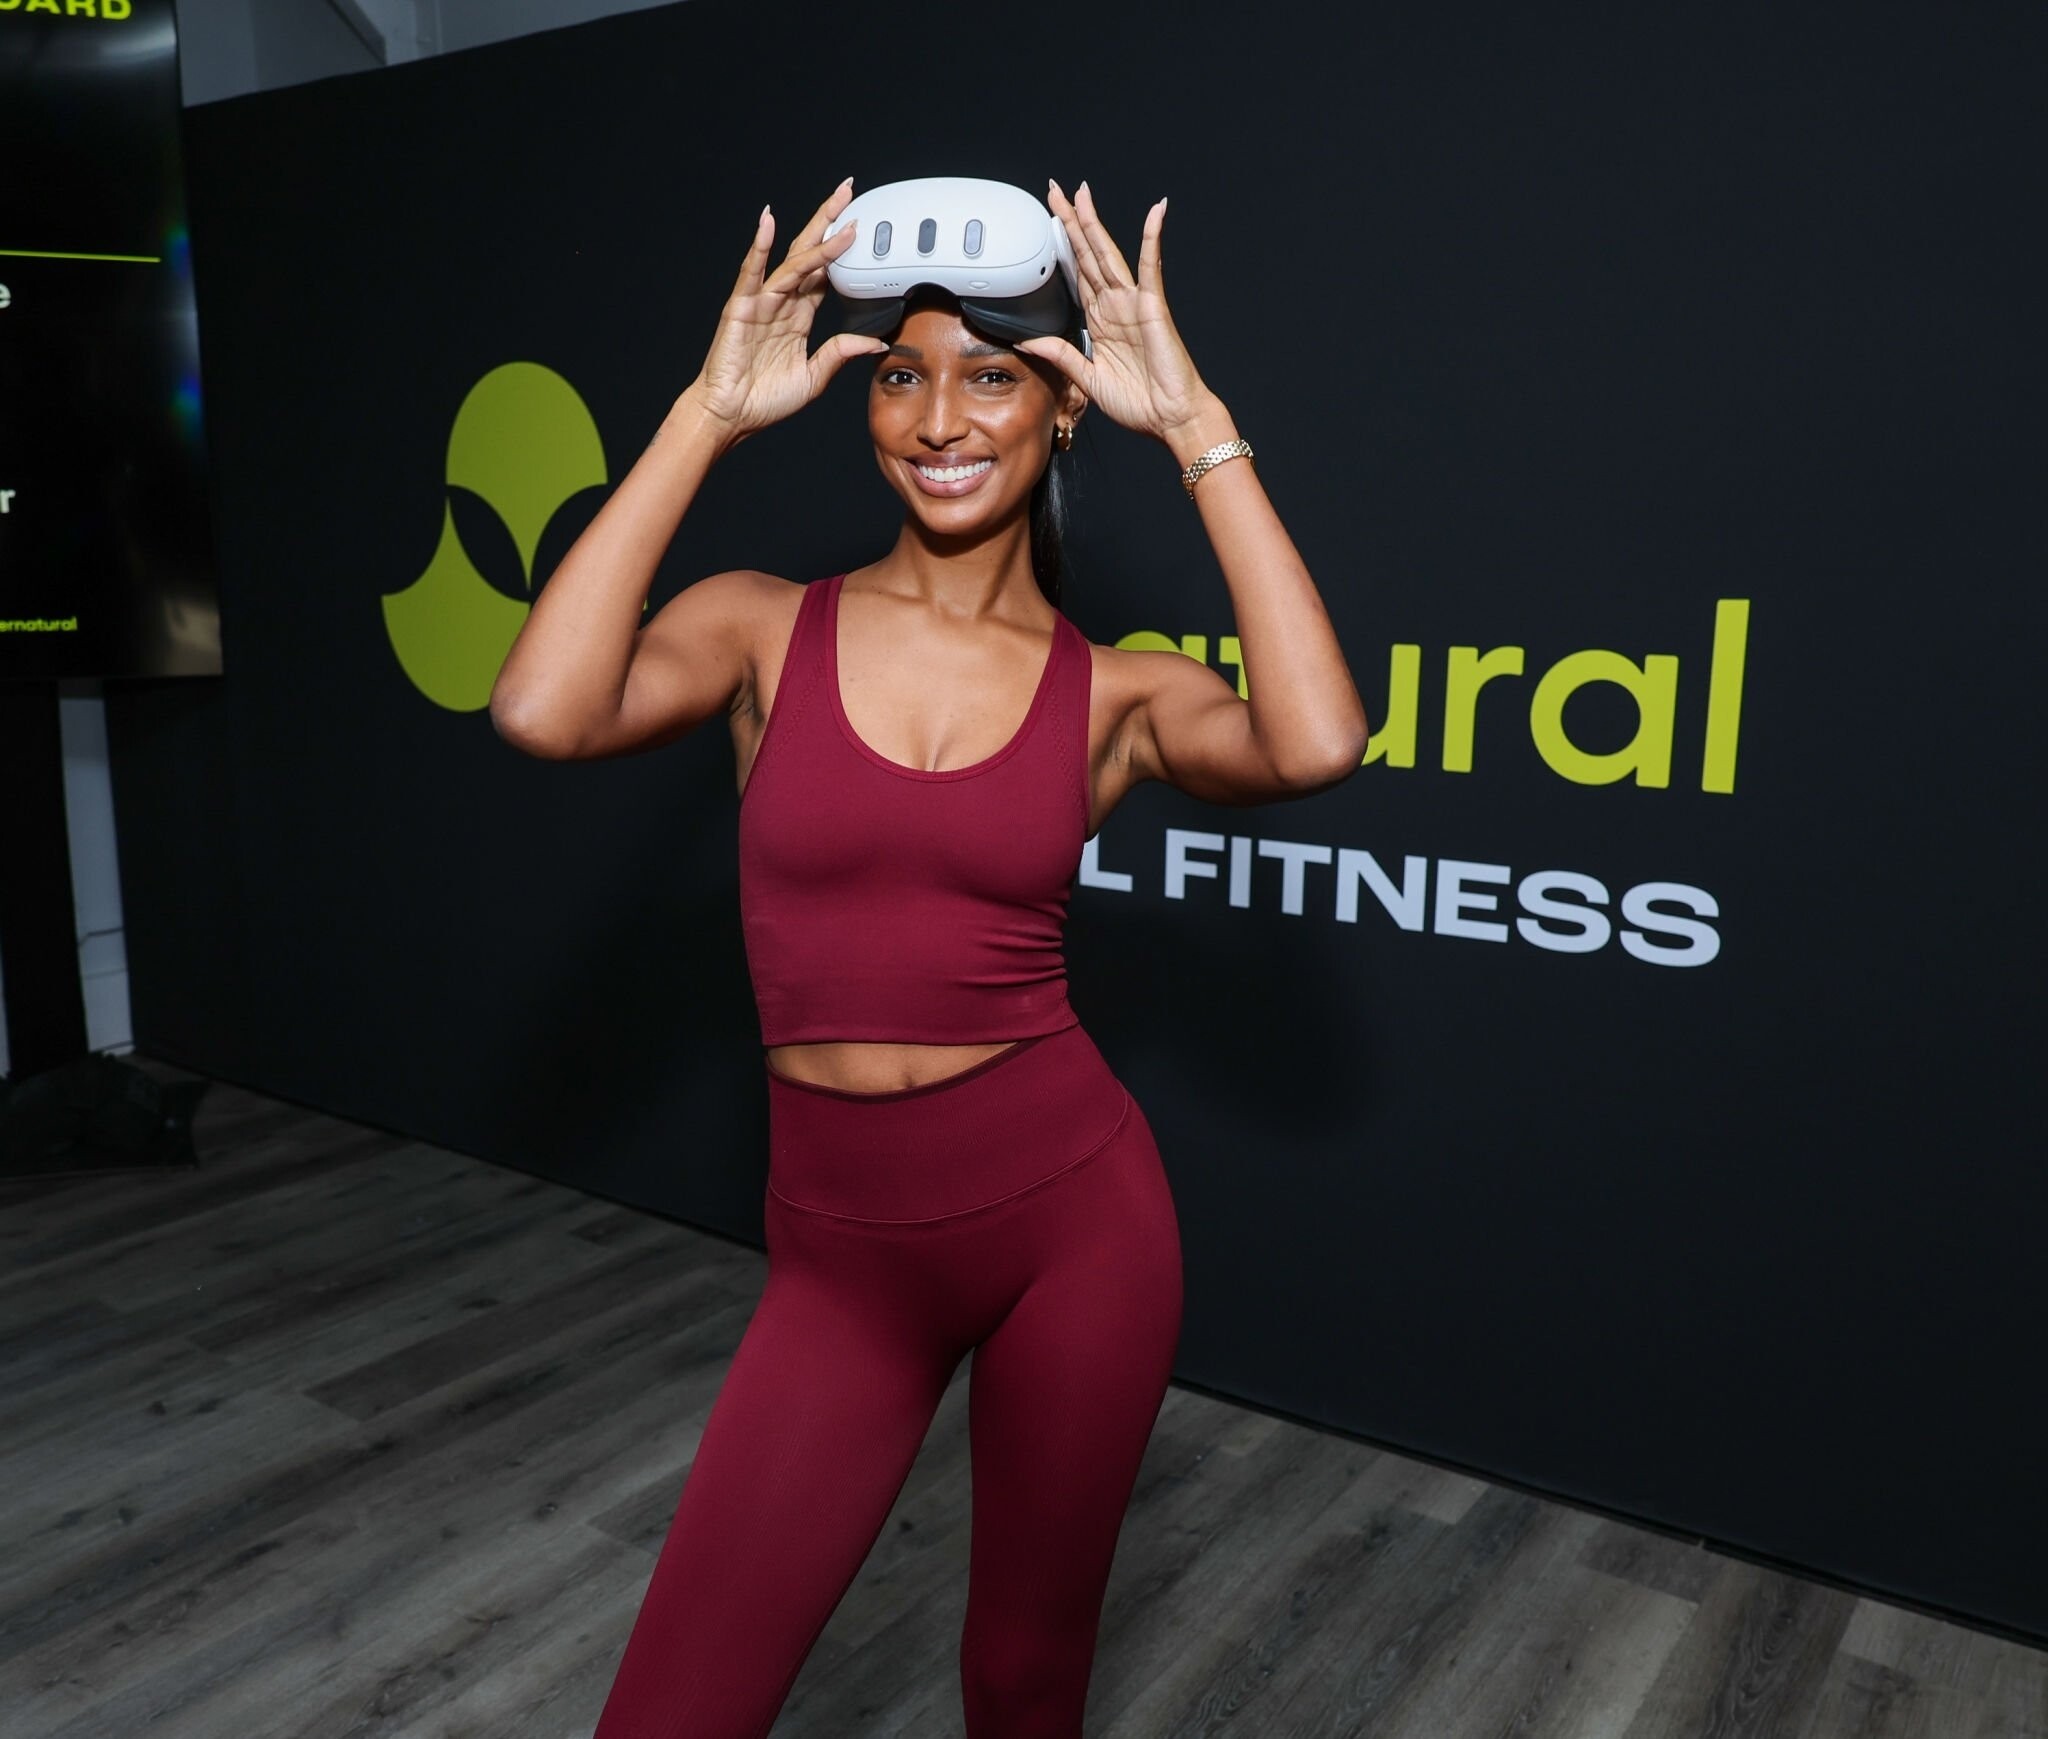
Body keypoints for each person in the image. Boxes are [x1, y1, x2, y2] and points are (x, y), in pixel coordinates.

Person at [490, 175, 1368, 1738]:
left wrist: (1197, 429)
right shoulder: (761, 626)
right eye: (901, 374)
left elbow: (1316, 741)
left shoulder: (1113, 691)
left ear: (1064, 408)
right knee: (673, 1712)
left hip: (1074, 1228)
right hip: (843, 1262)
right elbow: (543, 712)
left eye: (991, 376)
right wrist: (705, 417)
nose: (939, 418)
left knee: (1024, 1678)